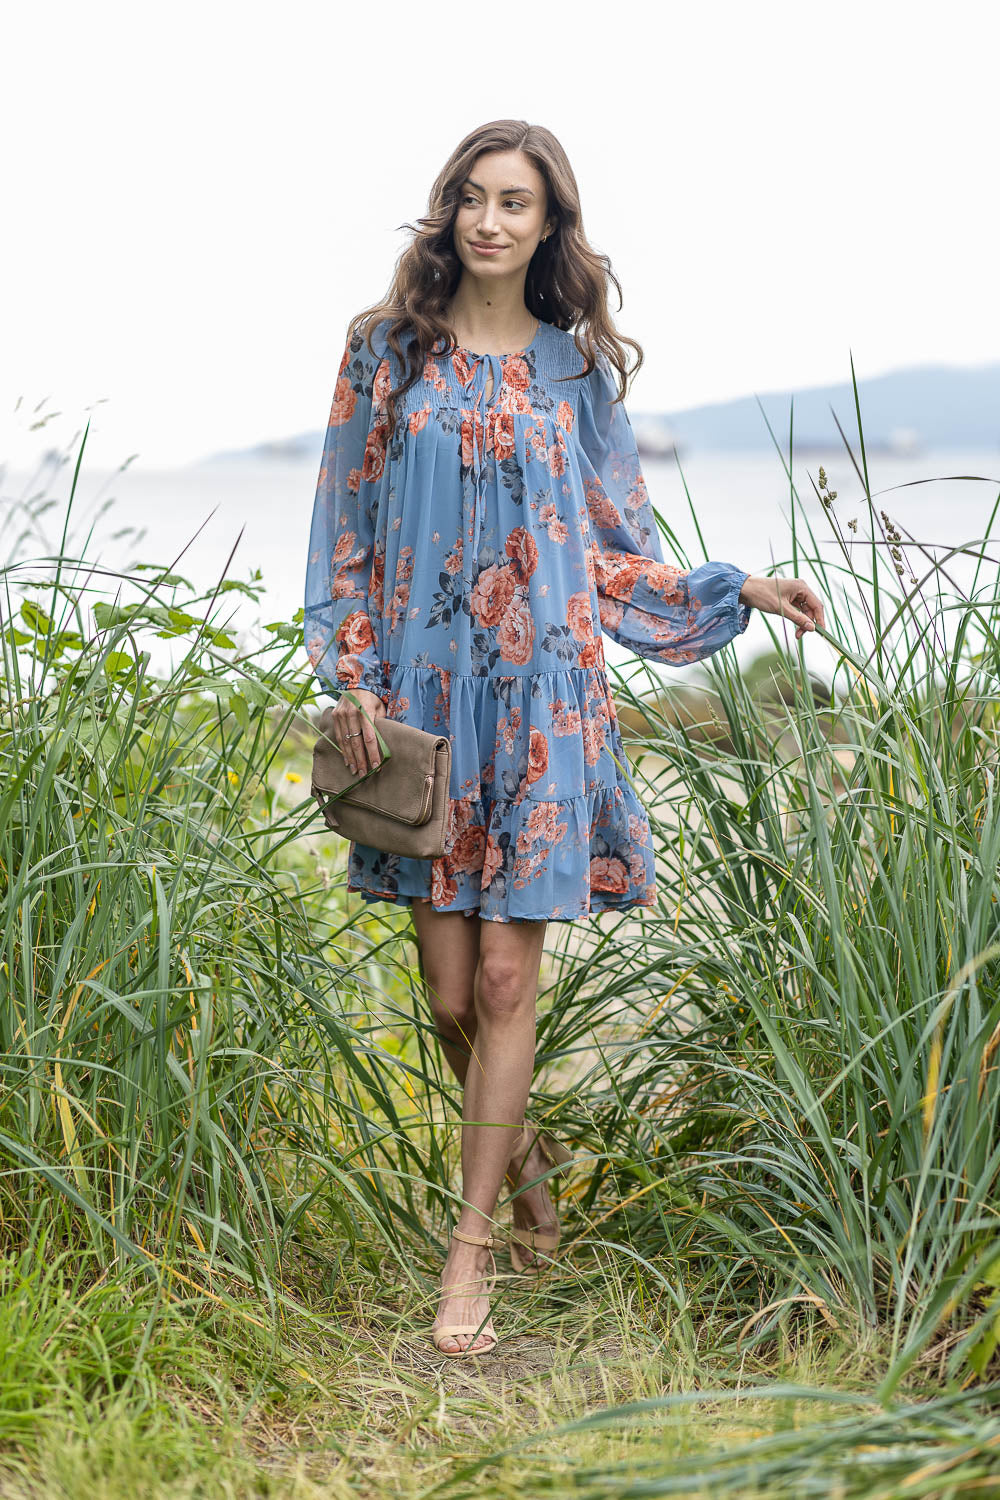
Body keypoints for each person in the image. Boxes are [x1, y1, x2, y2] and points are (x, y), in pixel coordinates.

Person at [304, 119, 825, 1358]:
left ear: (549, 226)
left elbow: (613, 545)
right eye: (474, 199)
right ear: (448, 213)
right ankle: (529, 1182)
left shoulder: (575, 373)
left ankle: (470, 1253)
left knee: (502, 981)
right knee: (444, 997)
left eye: (516, 204)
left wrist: (730, 590)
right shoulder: (385, 353)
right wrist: (352, 674)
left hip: (546, 701)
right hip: (425, 703)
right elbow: (346, 524)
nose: (491, 221)